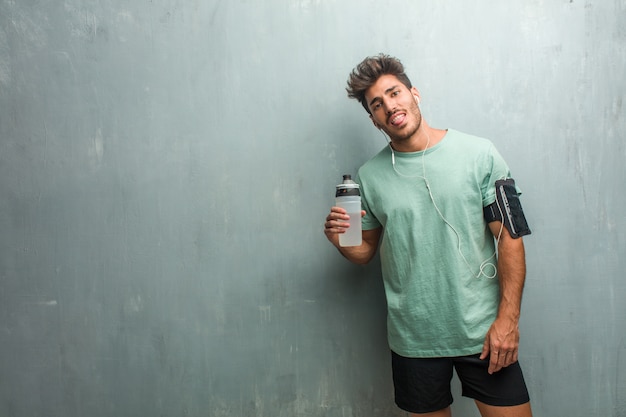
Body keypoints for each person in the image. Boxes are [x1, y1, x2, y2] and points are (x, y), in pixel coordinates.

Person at [323, 54, 533, 417]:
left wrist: (508, 321)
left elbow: (511, 238)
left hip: (484, 334)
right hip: (414, 340)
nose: (390, 106)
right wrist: (342, 240)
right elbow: (364, 253)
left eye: (394, 93)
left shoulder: (480, 154)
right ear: (373, 119)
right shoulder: (369, 176)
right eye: (377, 104)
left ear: (413, 93)